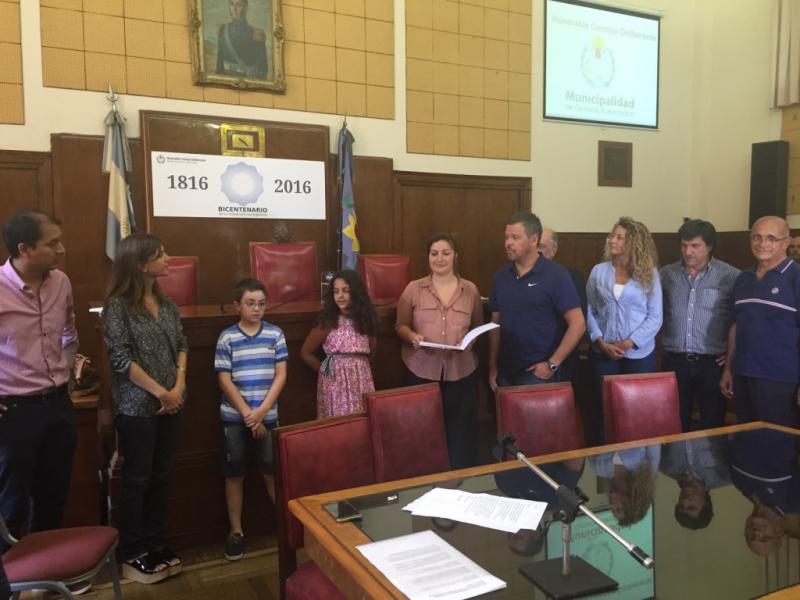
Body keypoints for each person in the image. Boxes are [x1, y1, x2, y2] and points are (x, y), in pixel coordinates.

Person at [102, 233, 187, 584]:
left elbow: (182, 344)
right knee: (138, 479)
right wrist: (161, 393)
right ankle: (133, 551)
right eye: (160, 254)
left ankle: (156, 542)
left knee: (161, 475)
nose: (168, 258)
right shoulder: (117, 306)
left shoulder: (167, 303)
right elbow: (121, 360)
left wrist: (177, 387)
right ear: (140, 264)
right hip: (137, 407)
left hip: (173, 402)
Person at [0, 209, 78, 550]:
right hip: (14, 412)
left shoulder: (61, 282)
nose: (61, 249)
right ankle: (9, 575)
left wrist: (67, 371)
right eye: (52, 243)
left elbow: (69, 331)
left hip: (58, 405)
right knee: (11, 504)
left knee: (52, 499)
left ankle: (43, 573)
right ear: (24, 249)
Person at [395, 233, 483, 469]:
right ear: (428, 257)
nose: (440, 259)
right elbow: (400, 325)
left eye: (446, 253)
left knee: (461, 433)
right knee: (422, 429)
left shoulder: (470, 290)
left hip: (461, 371)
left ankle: (460, 480)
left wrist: (470, 341)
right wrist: (411, 336)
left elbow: (477, 326)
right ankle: (426, 477)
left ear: (456, 256)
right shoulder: (414, 289)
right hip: (421, 370)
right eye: (434, 253)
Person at [215, 278, 287, 561]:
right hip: (235, 417)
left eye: (261, 304)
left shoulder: (275, 334)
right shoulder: (227, 338)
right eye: (250, 304)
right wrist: (248, 415)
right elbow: (224, 380)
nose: (257, 309)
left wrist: (261, 413)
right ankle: (236, 531)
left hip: (267, 415)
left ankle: (285, 525)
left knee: (272, 471)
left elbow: (281, 376)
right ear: (237, 306)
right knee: (234, 473)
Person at [488, 212, 585, 390]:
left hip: (538, 373)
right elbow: (495, 324)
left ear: (533, 240)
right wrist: (492, 365)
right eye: (506, 237)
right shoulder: (500, 276)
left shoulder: (557, 275)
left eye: (515, 237)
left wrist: (552, 364)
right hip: (505, 371)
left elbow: (578, 324)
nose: (508, 243)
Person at [587, 217, 662, 442]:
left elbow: (655, 316)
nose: (613, 240)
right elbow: (589, 308)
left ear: (634, 243)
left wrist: (629, 342)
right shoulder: (598, 271)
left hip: (639, 354)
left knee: (636, 408)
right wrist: (599, 340)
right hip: (603, 352)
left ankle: (635, 457)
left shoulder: (649, 274)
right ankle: (603, 456)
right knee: (604, 408)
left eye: (620, 237)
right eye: (612, 235)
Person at [720, 216, 800, 426]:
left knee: (776, 440)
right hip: (743, 374)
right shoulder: (743, 278)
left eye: (771, 238)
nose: (762, 243)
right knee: (746, 437)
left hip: (781, 379)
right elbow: (735, 326)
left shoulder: (796, 277)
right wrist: (728, 368)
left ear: (786, 242)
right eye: (757, 237)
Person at [660, 219, 739, 431]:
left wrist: (730, 360)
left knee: (713, 424)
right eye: (684, 245)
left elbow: (738, 321)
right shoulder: (666, 274)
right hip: (675, 361)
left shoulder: (731, 276)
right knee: (674, 424)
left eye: (695, 246)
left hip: (712, 363)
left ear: (709, 246)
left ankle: (712, 456)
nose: (688, 252)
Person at [300, 269, 377, 418]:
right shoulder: (329, 321)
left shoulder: (365, 320)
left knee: (361, 419)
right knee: (339, 421)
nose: (340, 296)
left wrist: (359, 368)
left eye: (345, 291)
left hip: (361, 378)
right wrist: (326, 371)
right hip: (335, 381)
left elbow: (372, 351)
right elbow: (306, 352)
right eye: (336, 292)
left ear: (356, 293)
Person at [539, 227, 587, 384]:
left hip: (562, 360)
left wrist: (553, 362)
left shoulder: (571, 277)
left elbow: (579, 323)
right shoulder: (517, 277)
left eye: (542, 246)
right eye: (534, 246)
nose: (537, 251)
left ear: (553, 251)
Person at [659, 437, 730, 530]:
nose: (685, 501)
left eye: (681, 505)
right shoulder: (724, 475)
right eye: (691, 507)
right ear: (706, 504)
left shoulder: (665, 466)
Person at [216, 0, 268, 79]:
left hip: (245, 80)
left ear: (246, 8)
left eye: (239, 5)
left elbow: (262, 70)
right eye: (232, 4)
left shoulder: (254, 34)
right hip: (225, 78)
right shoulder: (223, 29)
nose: (234, 8)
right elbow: (219, 62)